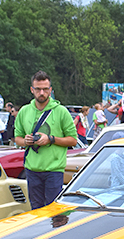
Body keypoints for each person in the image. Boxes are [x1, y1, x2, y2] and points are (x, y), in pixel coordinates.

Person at [14, 70, 78, 209]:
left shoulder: (61, 111)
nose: (41, 93)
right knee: (36, 211)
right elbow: (17, 138)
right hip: (32, 170)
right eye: (38, 89)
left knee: (54, 212)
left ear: (50, 90)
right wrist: (26, 141)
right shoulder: (24, 111)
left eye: (45, 89)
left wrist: (51, 139)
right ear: (32, 90)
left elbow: (73, 140)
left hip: (54, 170)